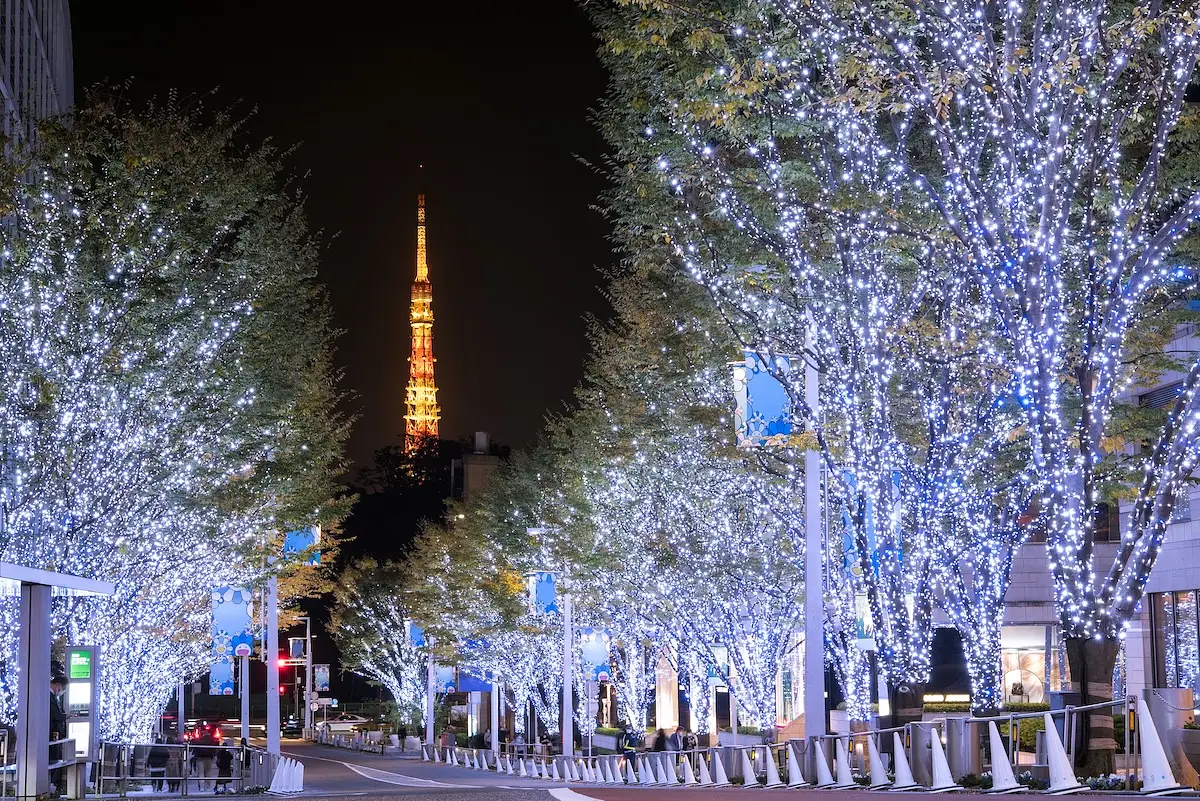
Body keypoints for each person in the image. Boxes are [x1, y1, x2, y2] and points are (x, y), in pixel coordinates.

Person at [49, 675, 68, 792]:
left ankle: (52, 785)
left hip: (55, 735)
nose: (61, 692)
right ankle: (51, 785)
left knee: (56, 759)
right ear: (58, 686)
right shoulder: (49, 697)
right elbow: (54, 715)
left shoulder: (53, 697)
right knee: (53, 759)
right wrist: (65, 716)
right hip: (51, 734)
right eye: (62, 689)